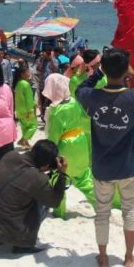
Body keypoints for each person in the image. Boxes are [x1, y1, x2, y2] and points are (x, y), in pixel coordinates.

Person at [75, 48, 134, 267]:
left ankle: (103, 257)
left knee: (102, 212)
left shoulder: (92, 98)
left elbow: (79, 89)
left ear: (103, 68)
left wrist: (97, 73)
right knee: (130, 209)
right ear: (126, 71)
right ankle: (129, 257)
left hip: (102, 166)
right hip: (129, 165)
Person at [0, 140, 68, 253]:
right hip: (3, 232)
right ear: (46, 164)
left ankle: (0, 238)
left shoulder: (10, 156)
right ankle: (23, 245)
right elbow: (55, 202)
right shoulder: (37, 178)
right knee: (44, 201)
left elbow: (24, 174)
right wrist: (61, 174)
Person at [43, 73, 96, 218]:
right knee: (84, 178)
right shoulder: (75, 102)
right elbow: (86, 121)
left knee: (58, 180)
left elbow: (54, 136)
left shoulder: (56, 111)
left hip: (66, 147)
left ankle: (59, 212)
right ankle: (102, 206)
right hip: (81, 142)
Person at [13, 63, 37, 148]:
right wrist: (32, 109)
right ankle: (23, 139)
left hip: (20, 110)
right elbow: (28, 99)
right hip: (27, 111)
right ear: (22, 74)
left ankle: (25, 143)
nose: (29, 74)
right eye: (27, 72)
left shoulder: (18, 84)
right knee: (33, 126)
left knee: (25, 127)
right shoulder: (25, 84)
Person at [35, 47, 59, 120]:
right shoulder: (40, 60)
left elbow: (55, 70)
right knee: (42, 101)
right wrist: (42, 60)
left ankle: (49, 116)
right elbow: (39, 69)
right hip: (42, 84)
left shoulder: (54, 60)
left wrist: (51, 59)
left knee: (49, 101)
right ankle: (43, 115)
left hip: (51, 85)